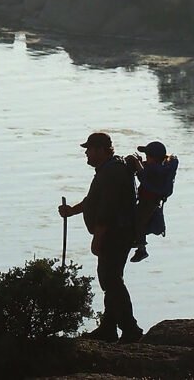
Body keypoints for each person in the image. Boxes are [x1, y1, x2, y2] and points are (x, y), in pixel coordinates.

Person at [58, 131, 142, 343]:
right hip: (118, 233)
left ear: (100, 150)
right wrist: (72, 211)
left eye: (89, 149)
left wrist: (98, 238)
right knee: (110, 279)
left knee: (111, 280)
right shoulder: (109, 170)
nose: (86, 153)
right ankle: (108, 328)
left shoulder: (111, 172)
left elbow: (107, 209)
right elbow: (93, 200)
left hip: (115, 235)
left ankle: (130, 328)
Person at [126, 140, 179, 263]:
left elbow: (143, 175)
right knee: (138, 220)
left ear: (154, 158)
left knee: (139, 221)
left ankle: (141, 248)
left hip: (149, 202)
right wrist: (140, 162)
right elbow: (147, 170)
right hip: (149, 201)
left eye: (147, 157)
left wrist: (136, 162)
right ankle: (138, 243)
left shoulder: (157, 171)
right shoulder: (159, 168)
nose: (145, 159)